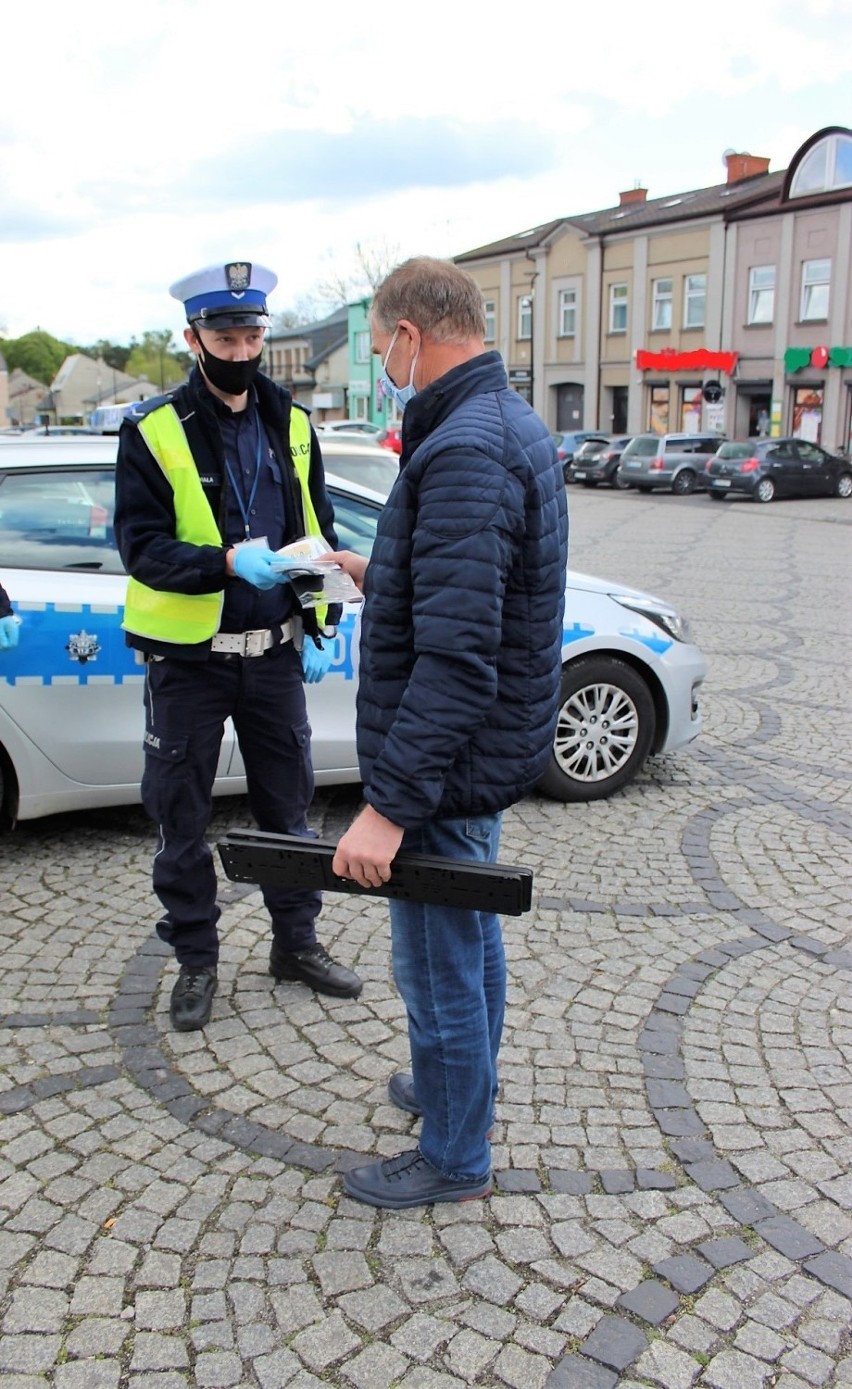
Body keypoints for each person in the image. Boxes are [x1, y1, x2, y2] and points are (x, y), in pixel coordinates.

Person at [332, 257, 568, 1209]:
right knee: (467, 944)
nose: (385, 360)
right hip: (475, 761)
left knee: (435, 967)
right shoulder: (499, 422)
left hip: (441, 771)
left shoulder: (464, 445)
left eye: (384, 343)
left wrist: (386, 808)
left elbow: (460, 657)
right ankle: (452, 1089)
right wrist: (377, 569)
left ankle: (455, 1152)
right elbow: (476, 597)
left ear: (408, 337)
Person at [114, 261, 362, 1032]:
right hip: (190, 662)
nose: (242, 347)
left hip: (275, 656)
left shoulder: (291, 421)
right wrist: (222, 562)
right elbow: (142, 549)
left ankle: (296, 941)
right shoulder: (152, 430)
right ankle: (196, 958)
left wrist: (319, 620)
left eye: (253, 333)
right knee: (181, 814)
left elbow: (313, 532)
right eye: (226, 335)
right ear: (193, 338)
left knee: (290, 810)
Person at [0, 583, 20, 649]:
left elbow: (6, 603)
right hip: (6, 616)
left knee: (11, 644)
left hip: (6, 616)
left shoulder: (2, 591)